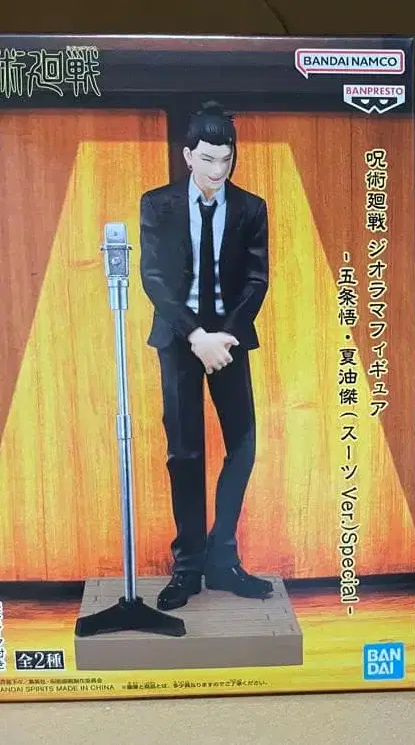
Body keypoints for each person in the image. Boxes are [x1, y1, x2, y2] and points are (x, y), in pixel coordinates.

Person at [139, 101, 271, 611]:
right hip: (179, 341)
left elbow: (256, 280)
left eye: (226, 160)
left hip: (230, 341)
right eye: (209, 159)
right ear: (189, 155)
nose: (218, 170)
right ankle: (188, 566)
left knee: (243, 446)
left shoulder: (250, 208)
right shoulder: (159, 205)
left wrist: (225, 337)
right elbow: (154, 278)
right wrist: (196, 335)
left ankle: (223, 557)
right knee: (185, 453)